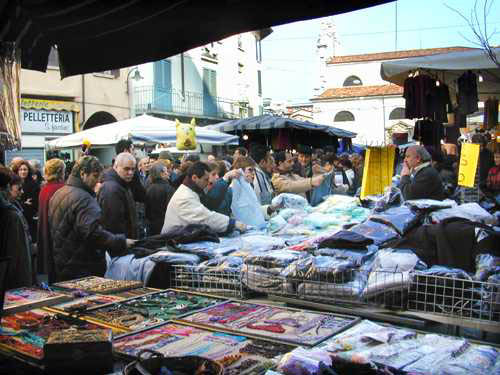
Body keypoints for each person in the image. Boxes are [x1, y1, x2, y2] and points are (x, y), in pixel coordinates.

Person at [48, 156, 135, 281]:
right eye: (94, 176)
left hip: (63, 264)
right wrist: (120, 241)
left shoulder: (60, 193)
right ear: (83, 173)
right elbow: (93, 233)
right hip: (83, 267)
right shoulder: (83, 199)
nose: (97, 181)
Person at [161, 161, 247, 235]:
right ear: (194, 178)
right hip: (172, 241)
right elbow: (206, 218)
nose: (208, 181)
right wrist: (232, 223)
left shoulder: (190, 191)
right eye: (206, 179)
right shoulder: (185, 198)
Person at [0, 167, 33, 289]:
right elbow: (18, 258)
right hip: (12, 285)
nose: (22, 192)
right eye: (18, 188)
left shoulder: (12, 211)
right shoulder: (11, 215)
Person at [98, 152, 139, 239]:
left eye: (133, 169)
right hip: (120, 245)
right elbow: (113, 225)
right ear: (116, 167)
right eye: (126, 169)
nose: (130, 172)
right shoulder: (111, 189)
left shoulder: (122, 184)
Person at [37, 158, 66, 282]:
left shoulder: (44, 189)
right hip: (55, 233)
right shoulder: (61, 189)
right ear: (61, 171)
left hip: (44, 231)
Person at [11, 160, 40, 242]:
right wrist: (24, 203)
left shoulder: (33, 185)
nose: (23, 172)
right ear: (17, 171)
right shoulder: (13, 184)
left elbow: (33, 205)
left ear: (28, 171)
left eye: (25, 169)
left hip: (29, 221)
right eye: (20, 169)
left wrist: (22, 203)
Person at [145, 162, 174, 235]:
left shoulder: (148, 188)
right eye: (166, 171)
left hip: (151, 226)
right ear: (161, 174)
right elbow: (171, 209)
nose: (168, 173)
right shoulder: (168, 188)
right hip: (165, 225)